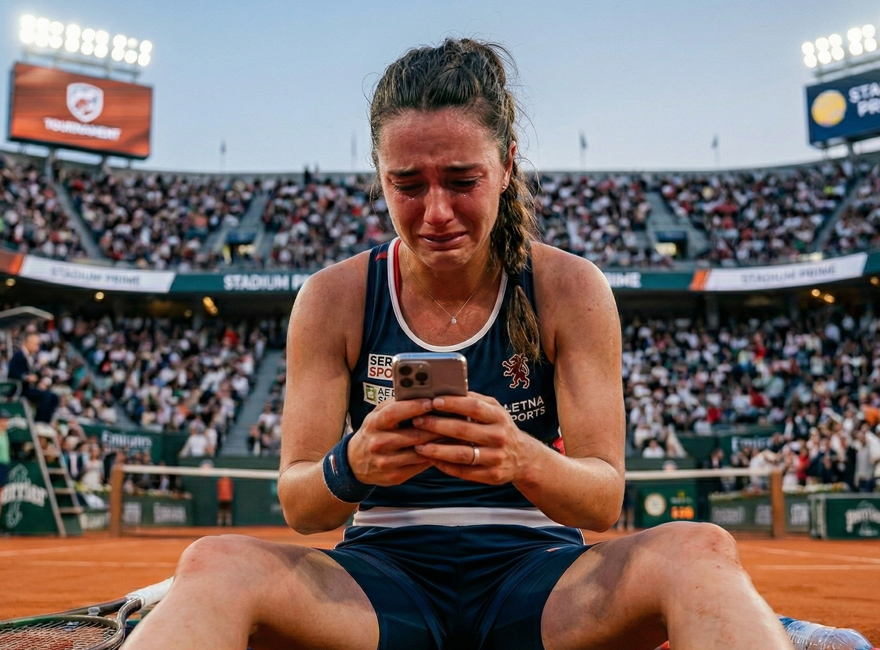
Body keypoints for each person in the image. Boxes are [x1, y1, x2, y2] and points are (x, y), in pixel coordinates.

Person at [124, 38, 793, 650]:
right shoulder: (333, 298)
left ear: (505, 167)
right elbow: (301, 504)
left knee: (699, 548)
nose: (435, 212)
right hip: (379, 581)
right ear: (378, 175)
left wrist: (519, 457)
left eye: (462, 181)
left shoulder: (571, 288)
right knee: (213, 562)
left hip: (541, 580)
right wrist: (354, 462)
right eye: (407, 185)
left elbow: (601, 498)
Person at [7, 332, 59, 423]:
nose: (37, 347)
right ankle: (39, 421)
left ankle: (46, 423)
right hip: (21, 389)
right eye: (36, 344)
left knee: (54, 397)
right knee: (45, 396)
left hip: (30, 387)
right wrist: (26, 377)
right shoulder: (18, 356)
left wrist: (40, 379)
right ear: (28, 343)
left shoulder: (30, 358)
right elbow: (13, 374)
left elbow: (34, 374)